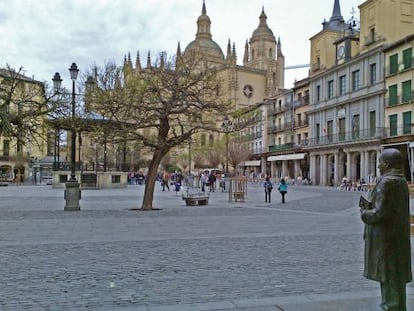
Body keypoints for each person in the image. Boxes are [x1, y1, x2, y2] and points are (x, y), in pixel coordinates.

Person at [360, 148, 412, 311]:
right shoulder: (401, 181)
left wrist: (364, 213)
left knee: (388, 275)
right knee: (394, 276)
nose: (378, 166)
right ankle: (394, 305)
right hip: (396, 237)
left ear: (387, 164)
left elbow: (380, 213)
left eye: (380, 162)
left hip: (386, 239)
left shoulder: (387, 181)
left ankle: (390, 307)